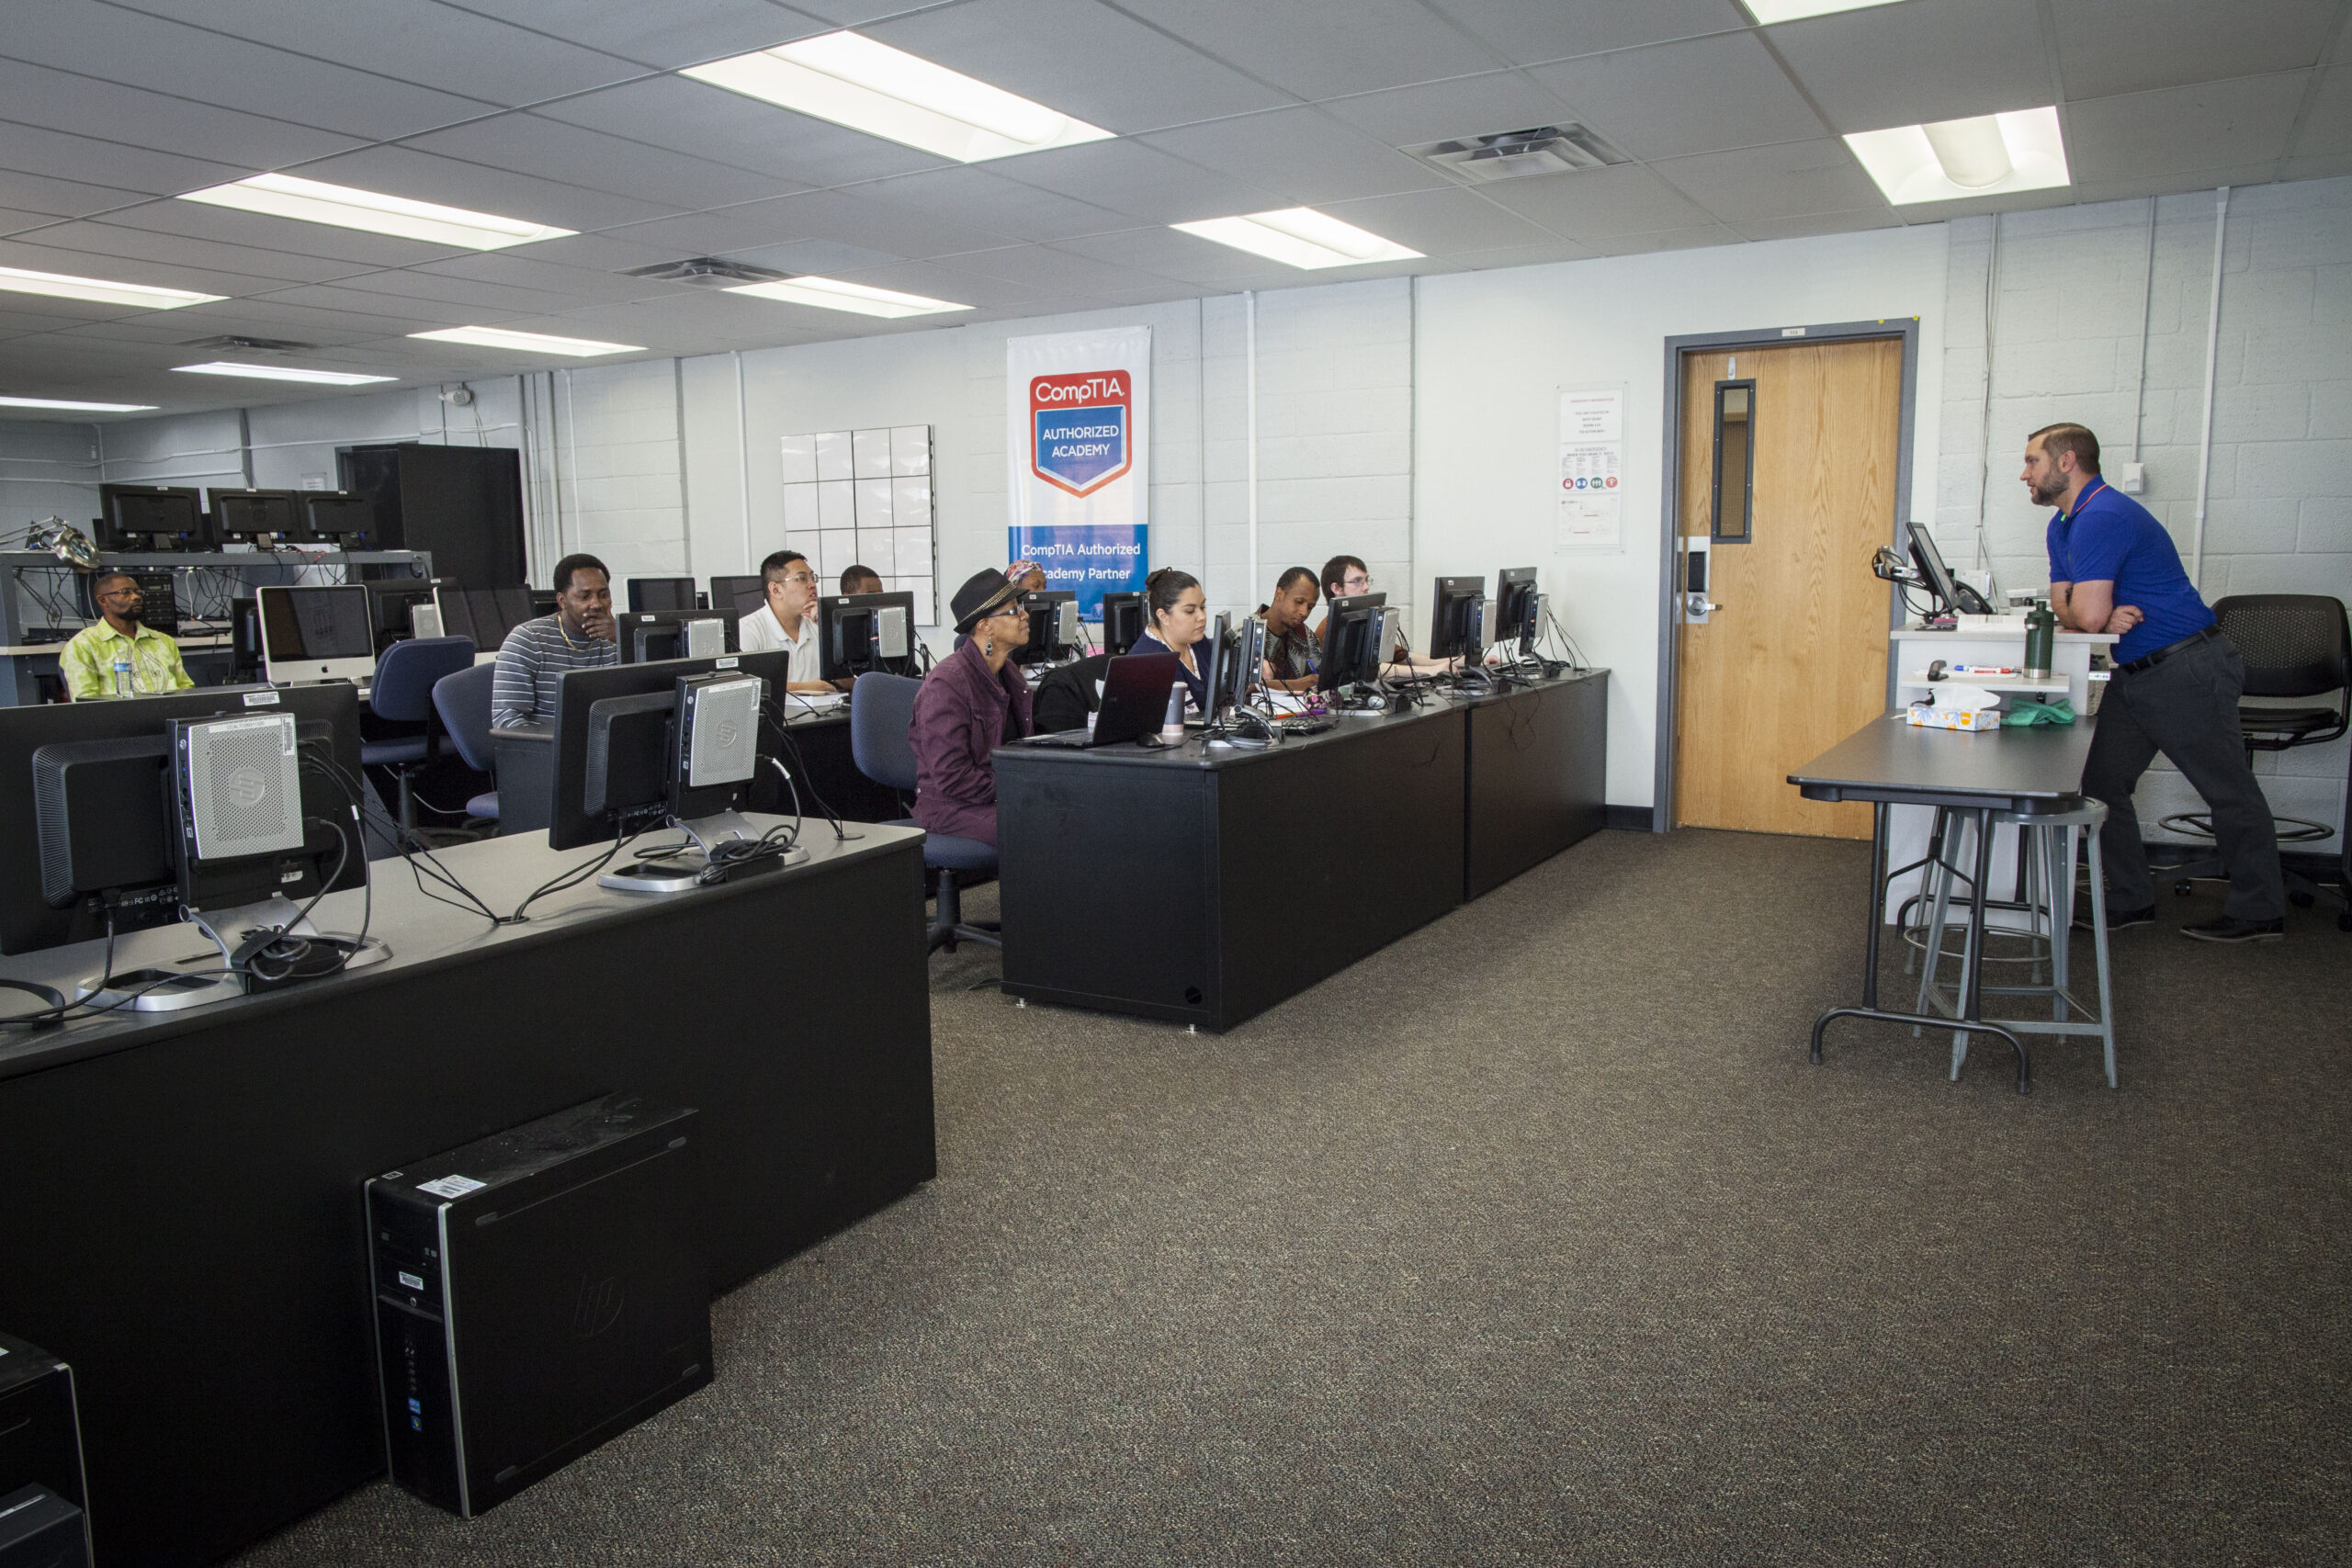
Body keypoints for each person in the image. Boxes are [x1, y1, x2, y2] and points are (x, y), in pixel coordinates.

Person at [2028, 422, 2284, 943]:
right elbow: (2065, 607)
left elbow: (2086, 616)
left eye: (2033, 461)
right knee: (2100, 783)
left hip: (2187, 667)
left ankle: (2260, 911)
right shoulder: (2062, 525)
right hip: (2138, 673)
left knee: (2226, 789)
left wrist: (2088, 613)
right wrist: (2088, 613)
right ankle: (2129, 901)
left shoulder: (2104, 516)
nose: (2024, 473)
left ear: (2067, 462)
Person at [909, 568, 1035, 847]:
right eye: (1014, 611)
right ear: (985, 625)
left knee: (1069, 815)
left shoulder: (1009, 673)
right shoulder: (948, 683)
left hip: (991, 797)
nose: (1025, 616)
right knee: (1036, 826)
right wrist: (1013, 789)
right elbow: (952, 777)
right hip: (949, 806)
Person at [492, 553, 617, 728]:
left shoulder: (616, 638)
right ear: (562, 601)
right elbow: (507, 720)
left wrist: (622, 639)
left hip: (605, 746)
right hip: (548, 748)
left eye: (603, 595)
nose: (596, 604)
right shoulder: (528, 640)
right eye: (584, 596)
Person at [60, 570, 194, 699]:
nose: (136, 597)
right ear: (103, 600)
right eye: (125, 592)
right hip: (119, 719)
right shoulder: (83, 644)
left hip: (170, 715)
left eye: (137, 592)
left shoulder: (163, 640)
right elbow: (85, 701)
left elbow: (186, 688)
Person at [735, 549, 837, 691]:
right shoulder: (748, 629)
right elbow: (744, 688)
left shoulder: (817, 624)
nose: (812, 584)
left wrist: (827, 629)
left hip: (826, 712)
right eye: (802, 578)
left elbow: (852, 681)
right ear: (776, 590)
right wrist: (808, 687)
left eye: (813, 577)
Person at [1129, 567, 1209, 713]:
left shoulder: (1196, 642)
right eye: (1190, 611)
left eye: (1202, 607)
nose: (1202, 617)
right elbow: (1187, 720)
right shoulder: (1151, 661)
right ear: (1163, 616)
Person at [1256, 566, 1320, 690]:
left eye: (1310, 607)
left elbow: (1323, 675)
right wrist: (1302, 684)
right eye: (1299, 601)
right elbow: (1245, 687)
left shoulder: (1305, 634)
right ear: (1279, 594)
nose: (1304, 612)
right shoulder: (1245, 634)